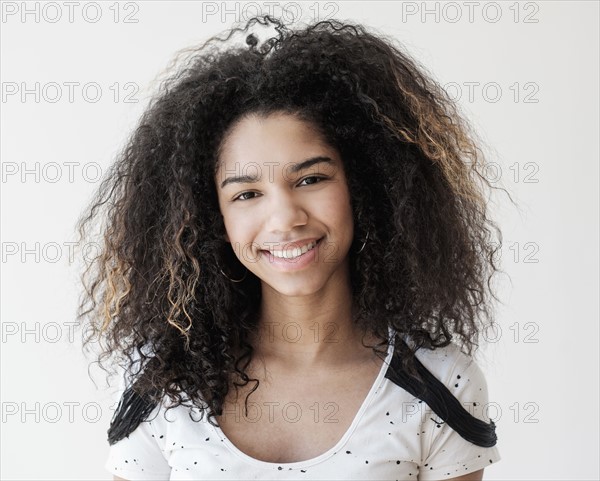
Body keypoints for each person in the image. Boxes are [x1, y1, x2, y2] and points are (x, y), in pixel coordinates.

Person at [77, 15, 507, 480]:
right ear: (210, 218)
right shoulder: (160, 379)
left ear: (366, 187)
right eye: (246, 194)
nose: (285, 218)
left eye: (311, 179)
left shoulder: (439, 385)